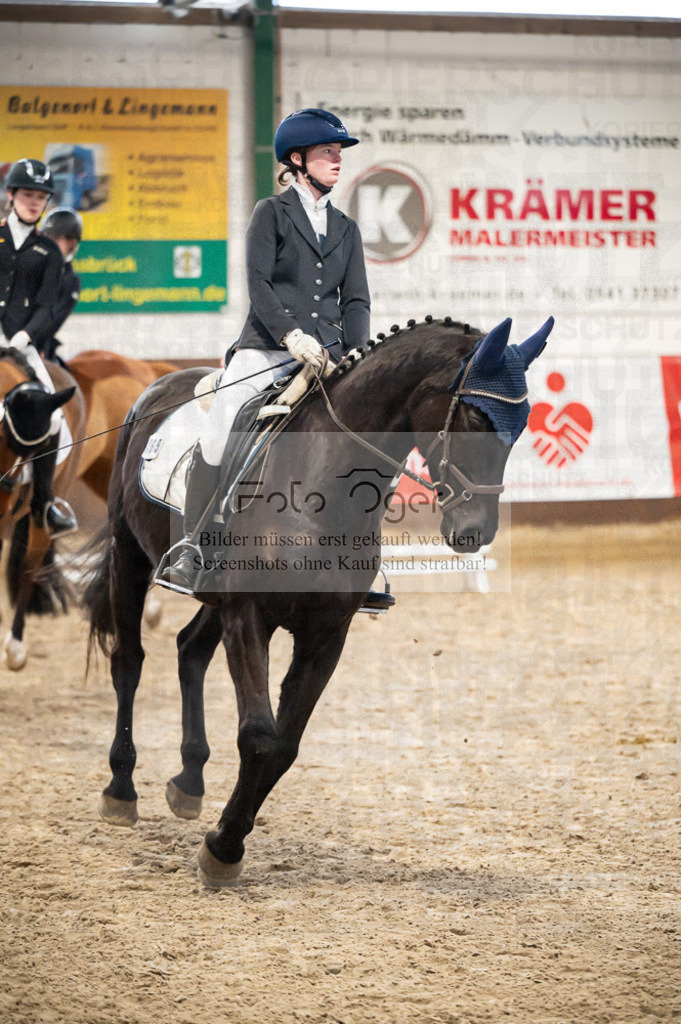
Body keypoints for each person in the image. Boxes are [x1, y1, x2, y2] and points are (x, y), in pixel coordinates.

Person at [160, 108, 392, 611]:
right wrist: (289, 336)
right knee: (223, 423)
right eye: (328, 152)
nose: (337, 161)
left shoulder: (347, 229)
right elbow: (259, 285)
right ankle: (195, 545)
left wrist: (355, 358)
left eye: (338, 153)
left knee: (365, 435)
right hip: (266, 349)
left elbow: (357, 301)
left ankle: (366, 562)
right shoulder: (271, 212)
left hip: (327, 356)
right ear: (297, 159)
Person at [0, 158, 78, 536]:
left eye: (40, 197)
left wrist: (24, 337)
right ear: (12, 195)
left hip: (22, 345)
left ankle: (44, 502)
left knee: (55, 417)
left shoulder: (49, 251)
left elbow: (48, 306)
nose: (33, 203)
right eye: (28, 195)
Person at [36, 207, 82, 365]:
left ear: (71, 243)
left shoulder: (70, 281)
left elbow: (51, 323)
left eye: (55, 240)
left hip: (36, 349)